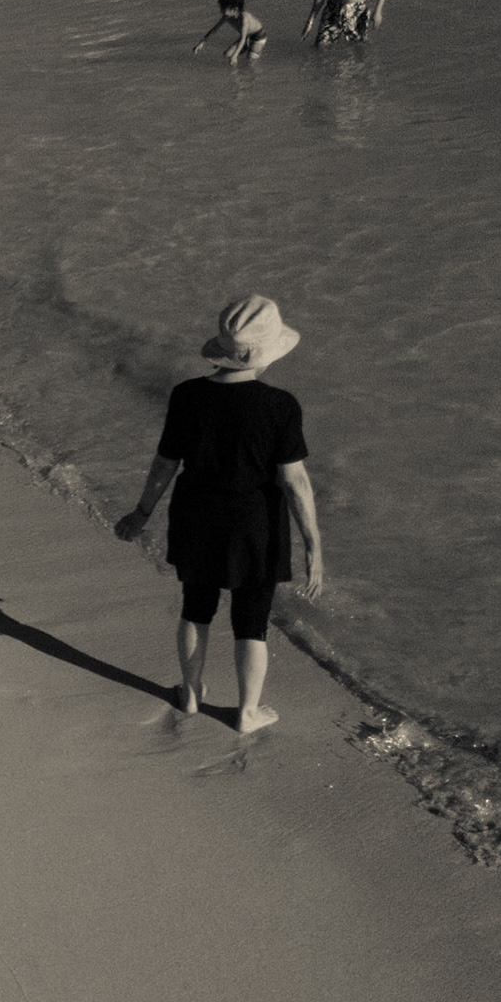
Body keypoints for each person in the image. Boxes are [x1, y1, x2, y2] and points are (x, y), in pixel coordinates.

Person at [114, 295, 324, 734]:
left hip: (196, 515)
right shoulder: (280, 406)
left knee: (196, 608)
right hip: (256, 523)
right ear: (264, 354)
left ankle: (190, 693)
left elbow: (165, 464)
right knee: (252, 618)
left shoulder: (187, 395)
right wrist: (313, 548)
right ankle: (247, 712)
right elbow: (295, 482)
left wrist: (140, 513)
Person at [193, 0, 264, 63]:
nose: (221, 10)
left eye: (223, 8)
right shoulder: (227, 17)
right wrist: (202, 42)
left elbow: (242, 39)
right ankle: (237, 73)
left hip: (258, 36)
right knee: (227, 55)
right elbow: (215, 29)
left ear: (235, 9)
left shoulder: (244, 18)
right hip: (246, 37)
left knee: (251, 60)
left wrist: (235, 56)